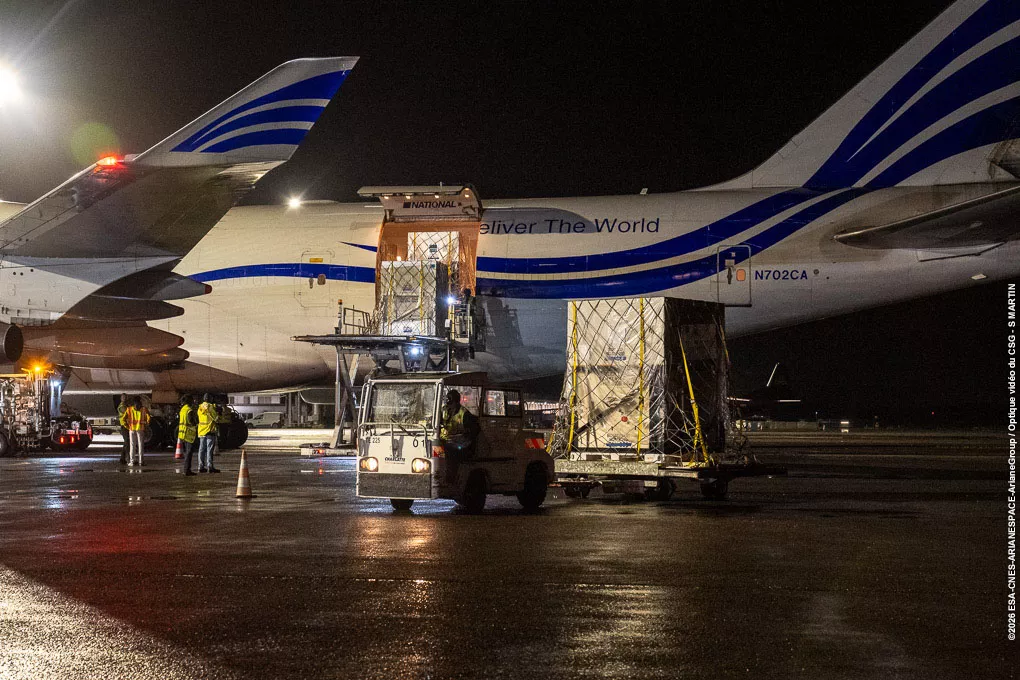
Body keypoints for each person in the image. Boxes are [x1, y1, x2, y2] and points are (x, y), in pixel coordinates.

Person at [440, 389, 480, 483]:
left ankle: (451, 479)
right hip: (445, 440)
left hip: (459, 444)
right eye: (447, 400)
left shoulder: (464, 414)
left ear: (456, 401)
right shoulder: (444, 410)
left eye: (450, 400)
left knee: (451, 453)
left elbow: (475, 430)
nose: (448, 403)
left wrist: (465, 438)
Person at [196, 394, 220, 473]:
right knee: (209, 450)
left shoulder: (200, 407)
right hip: (210, 431)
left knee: (201, 449)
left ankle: (201, 466)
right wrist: (218, 413)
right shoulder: (210, 407)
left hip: (201, 431)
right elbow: (216, 418)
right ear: (210, 399)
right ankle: (210, 467)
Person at [125, 396, 150, 467]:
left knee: (132, 445)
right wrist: (146, 424)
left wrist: (127, 426)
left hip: (131, 429)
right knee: (141, 445)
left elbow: (123, 419)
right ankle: (141, 461)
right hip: (140, 428)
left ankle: (132, 461)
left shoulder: (129, 409)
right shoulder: (144, 409)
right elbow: (148, 417)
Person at [178, 395, 199, 476]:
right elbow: (190, 420)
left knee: (187, 451)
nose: (193, 402)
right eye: (192, 400)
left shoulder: (183, 409)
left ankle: (186, 469)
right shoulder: (189, 410)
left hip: (183, 432)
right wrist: (195, 424)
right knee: (189, 452)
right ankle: (187, 470)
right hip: (189, 433)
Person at [117, 394, 130, 464]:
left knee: (126, 443)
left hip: (127, 426)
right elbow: (128, 414)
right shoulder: (122, 406)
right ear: (121, 398)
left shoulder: (126, 406)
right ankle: (127, 458)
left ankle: (122, 459)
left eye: (125, 397)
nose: (124, 398)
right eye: (123, 397)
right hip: (124, 426)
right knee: (127, 442)